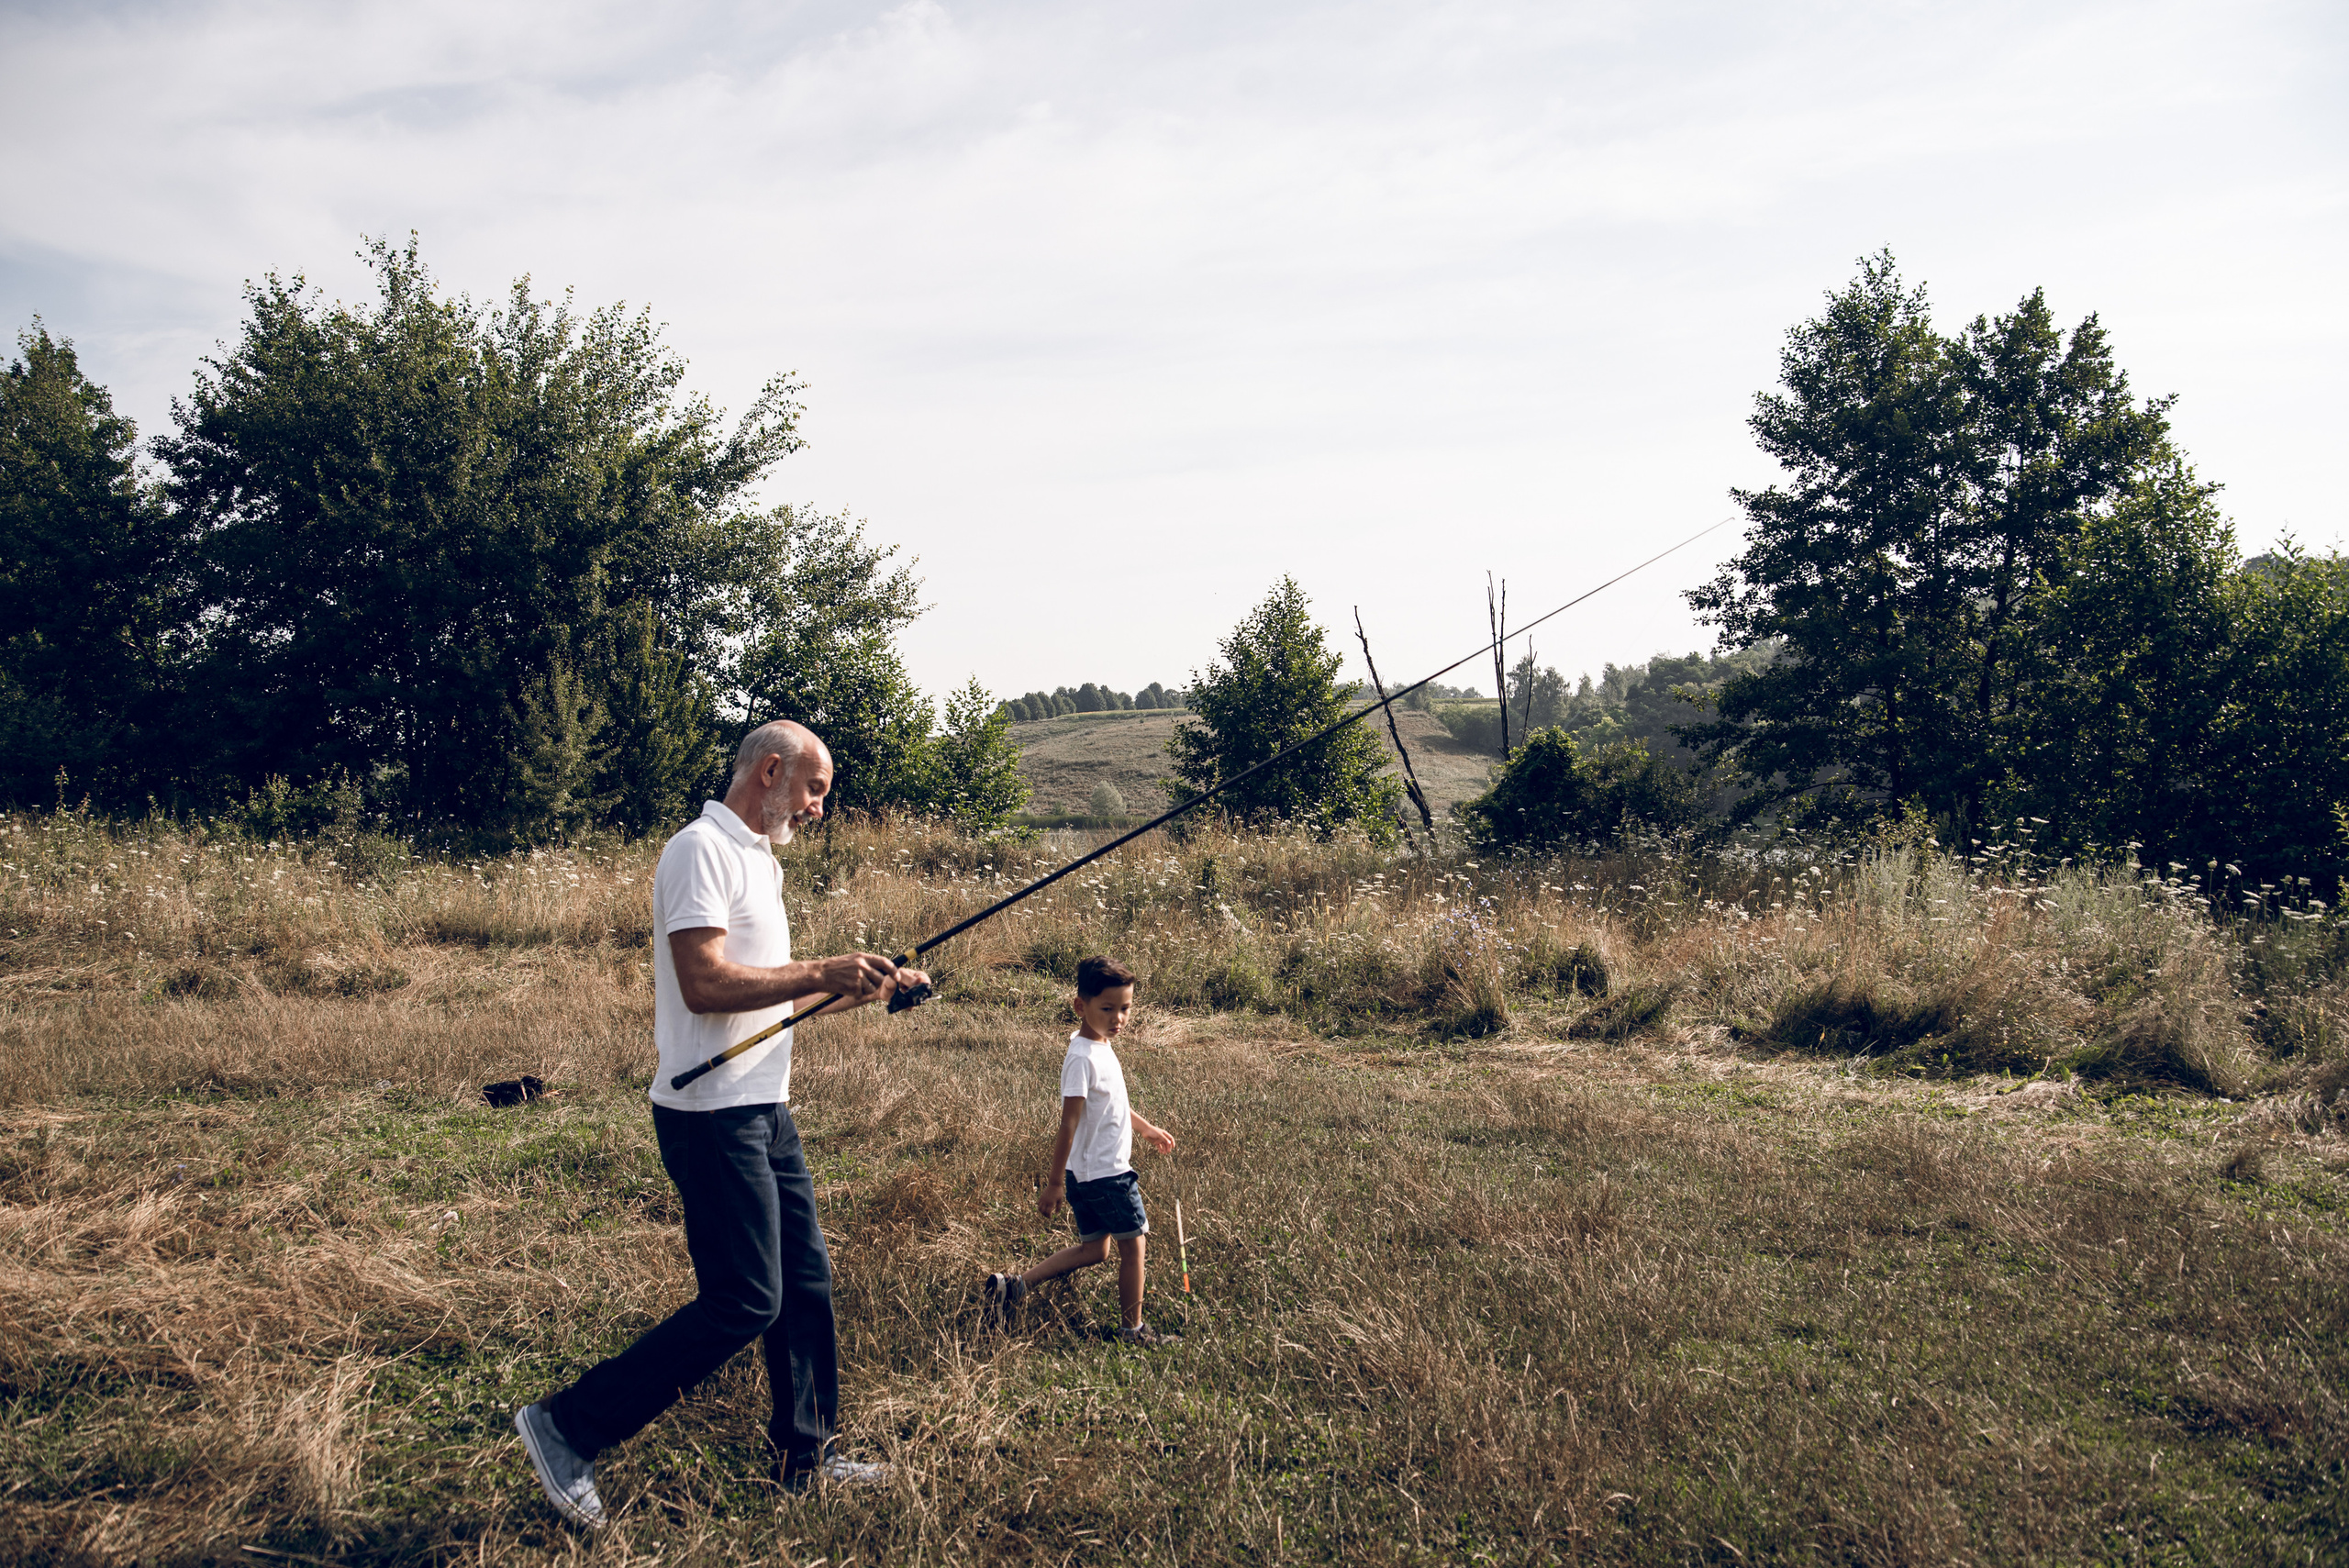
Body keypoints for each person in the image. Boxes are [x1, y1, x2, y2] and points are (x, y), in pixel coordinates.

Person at [512, 720, 931, 1529]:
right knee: (745, 1297)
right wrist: (821, 967)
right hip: (709, 1114)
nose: (817, 809)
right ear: (770, 771)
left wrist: (870, 986)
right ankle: (568, 1426)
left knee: (804, 1283)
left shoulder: (760, 859)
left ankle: (807, 1457)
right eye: (814, 790)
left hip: (764, 1105)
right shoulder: (698, 849)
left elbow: (771, 995)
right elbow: (703, 983)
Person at [985, 955, 1179, 1344]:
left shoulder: (1098, 1044)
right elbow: (1068, 1124)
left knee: (1095, 1251)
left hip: (1090, 1175)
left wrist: (1145, 1128)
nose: (1118, 1018)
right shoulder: (1082, 1058)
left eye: (1125, 1008)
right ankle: (1133, 1330)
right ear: (1080, 1005)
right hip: (1107, 1176)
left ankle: (1015, 1287)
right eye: (1107, 1008)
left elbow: (1112, 1103)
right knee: (1134, 1247)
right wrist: (1055, 1183)